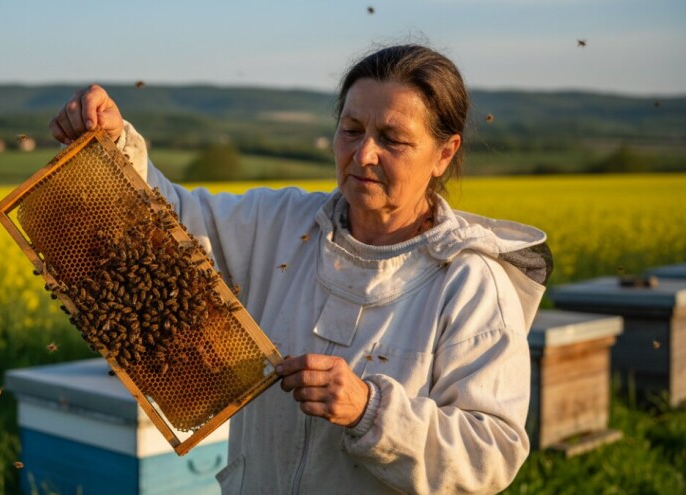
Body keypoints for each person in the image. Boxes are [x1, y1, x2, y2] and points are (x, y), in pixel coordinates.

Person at [49, 44, 552, 495]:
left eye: (392, 139)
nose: (363, 153)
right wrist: (115, 145)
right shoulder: (280, 223)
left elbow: (493, 453)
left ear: (444, 153)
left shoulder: (469, 283)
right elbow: (167, 224)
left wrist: (370, 409)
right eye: (351, 130)